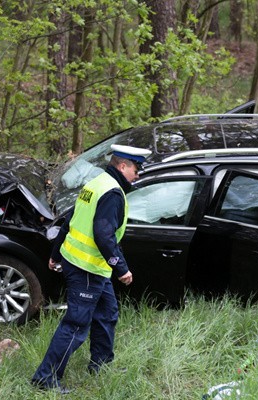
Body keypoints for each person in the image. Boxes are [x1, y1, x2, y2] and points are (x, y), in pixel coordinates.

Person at [31, 144, 151, 393]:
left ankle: (101, 364)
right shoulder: (112, 193)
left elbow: (70, 220)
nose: (137, 174)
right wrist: (121, 269)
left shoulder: (97, 183)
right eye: (136, 168)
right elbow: (103, 235)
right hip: (87, 269)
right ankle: (45, 378)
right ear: (123, 166)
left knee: (107, 313)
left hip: (90, 266)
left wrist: (56, 254)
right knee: (75, 325)